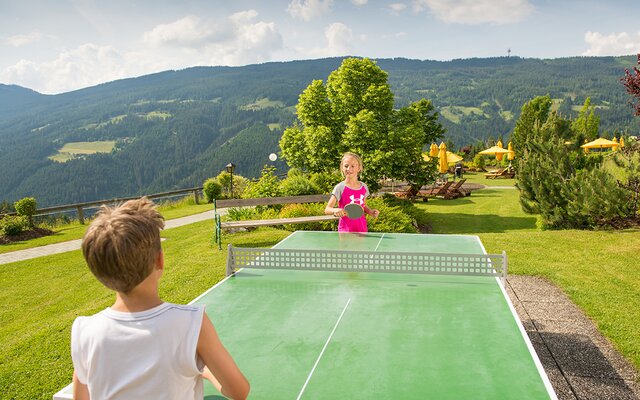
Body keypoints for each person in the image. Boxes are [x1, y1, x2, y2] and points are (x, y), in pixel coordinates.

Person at [71, 197, 249, 400]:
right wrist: (205, 370)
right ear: (160, 260)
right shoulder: (192, 323)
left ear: (98, 273)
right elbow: (238, 391)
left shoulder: (84, 332)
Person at [325, 152, 380, 232]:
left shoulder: (364, 187)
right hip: (345, 231)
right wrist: (336, 210)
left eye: (353, 166)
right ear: (342, 168)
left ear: (359, 168)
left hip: (362, 229)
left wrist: (370, 212)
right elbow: (327, 209)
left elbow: (363, 205)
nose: (349, 169)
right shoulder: (340, 188)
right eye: (346, 166)